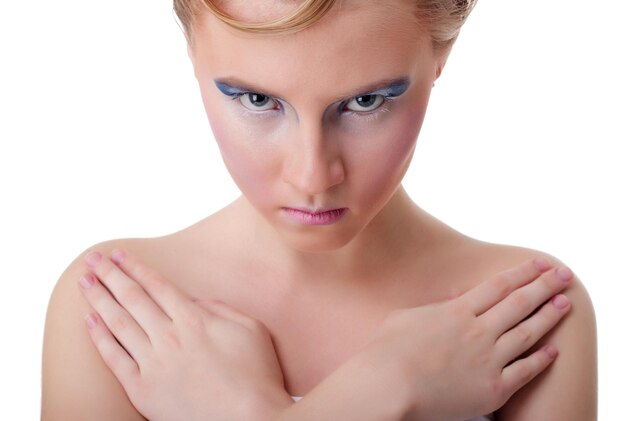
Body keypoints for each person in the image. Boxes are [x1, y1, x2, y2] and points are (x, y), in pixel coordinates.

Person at [41, 0, 597, 419]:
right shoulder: (118, 306)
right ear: (191, 52)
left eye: (366, 101)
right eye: (257, 100)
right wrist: (378, 392)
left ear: (440, 57)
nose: (312, 175)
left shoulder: (524, 310)